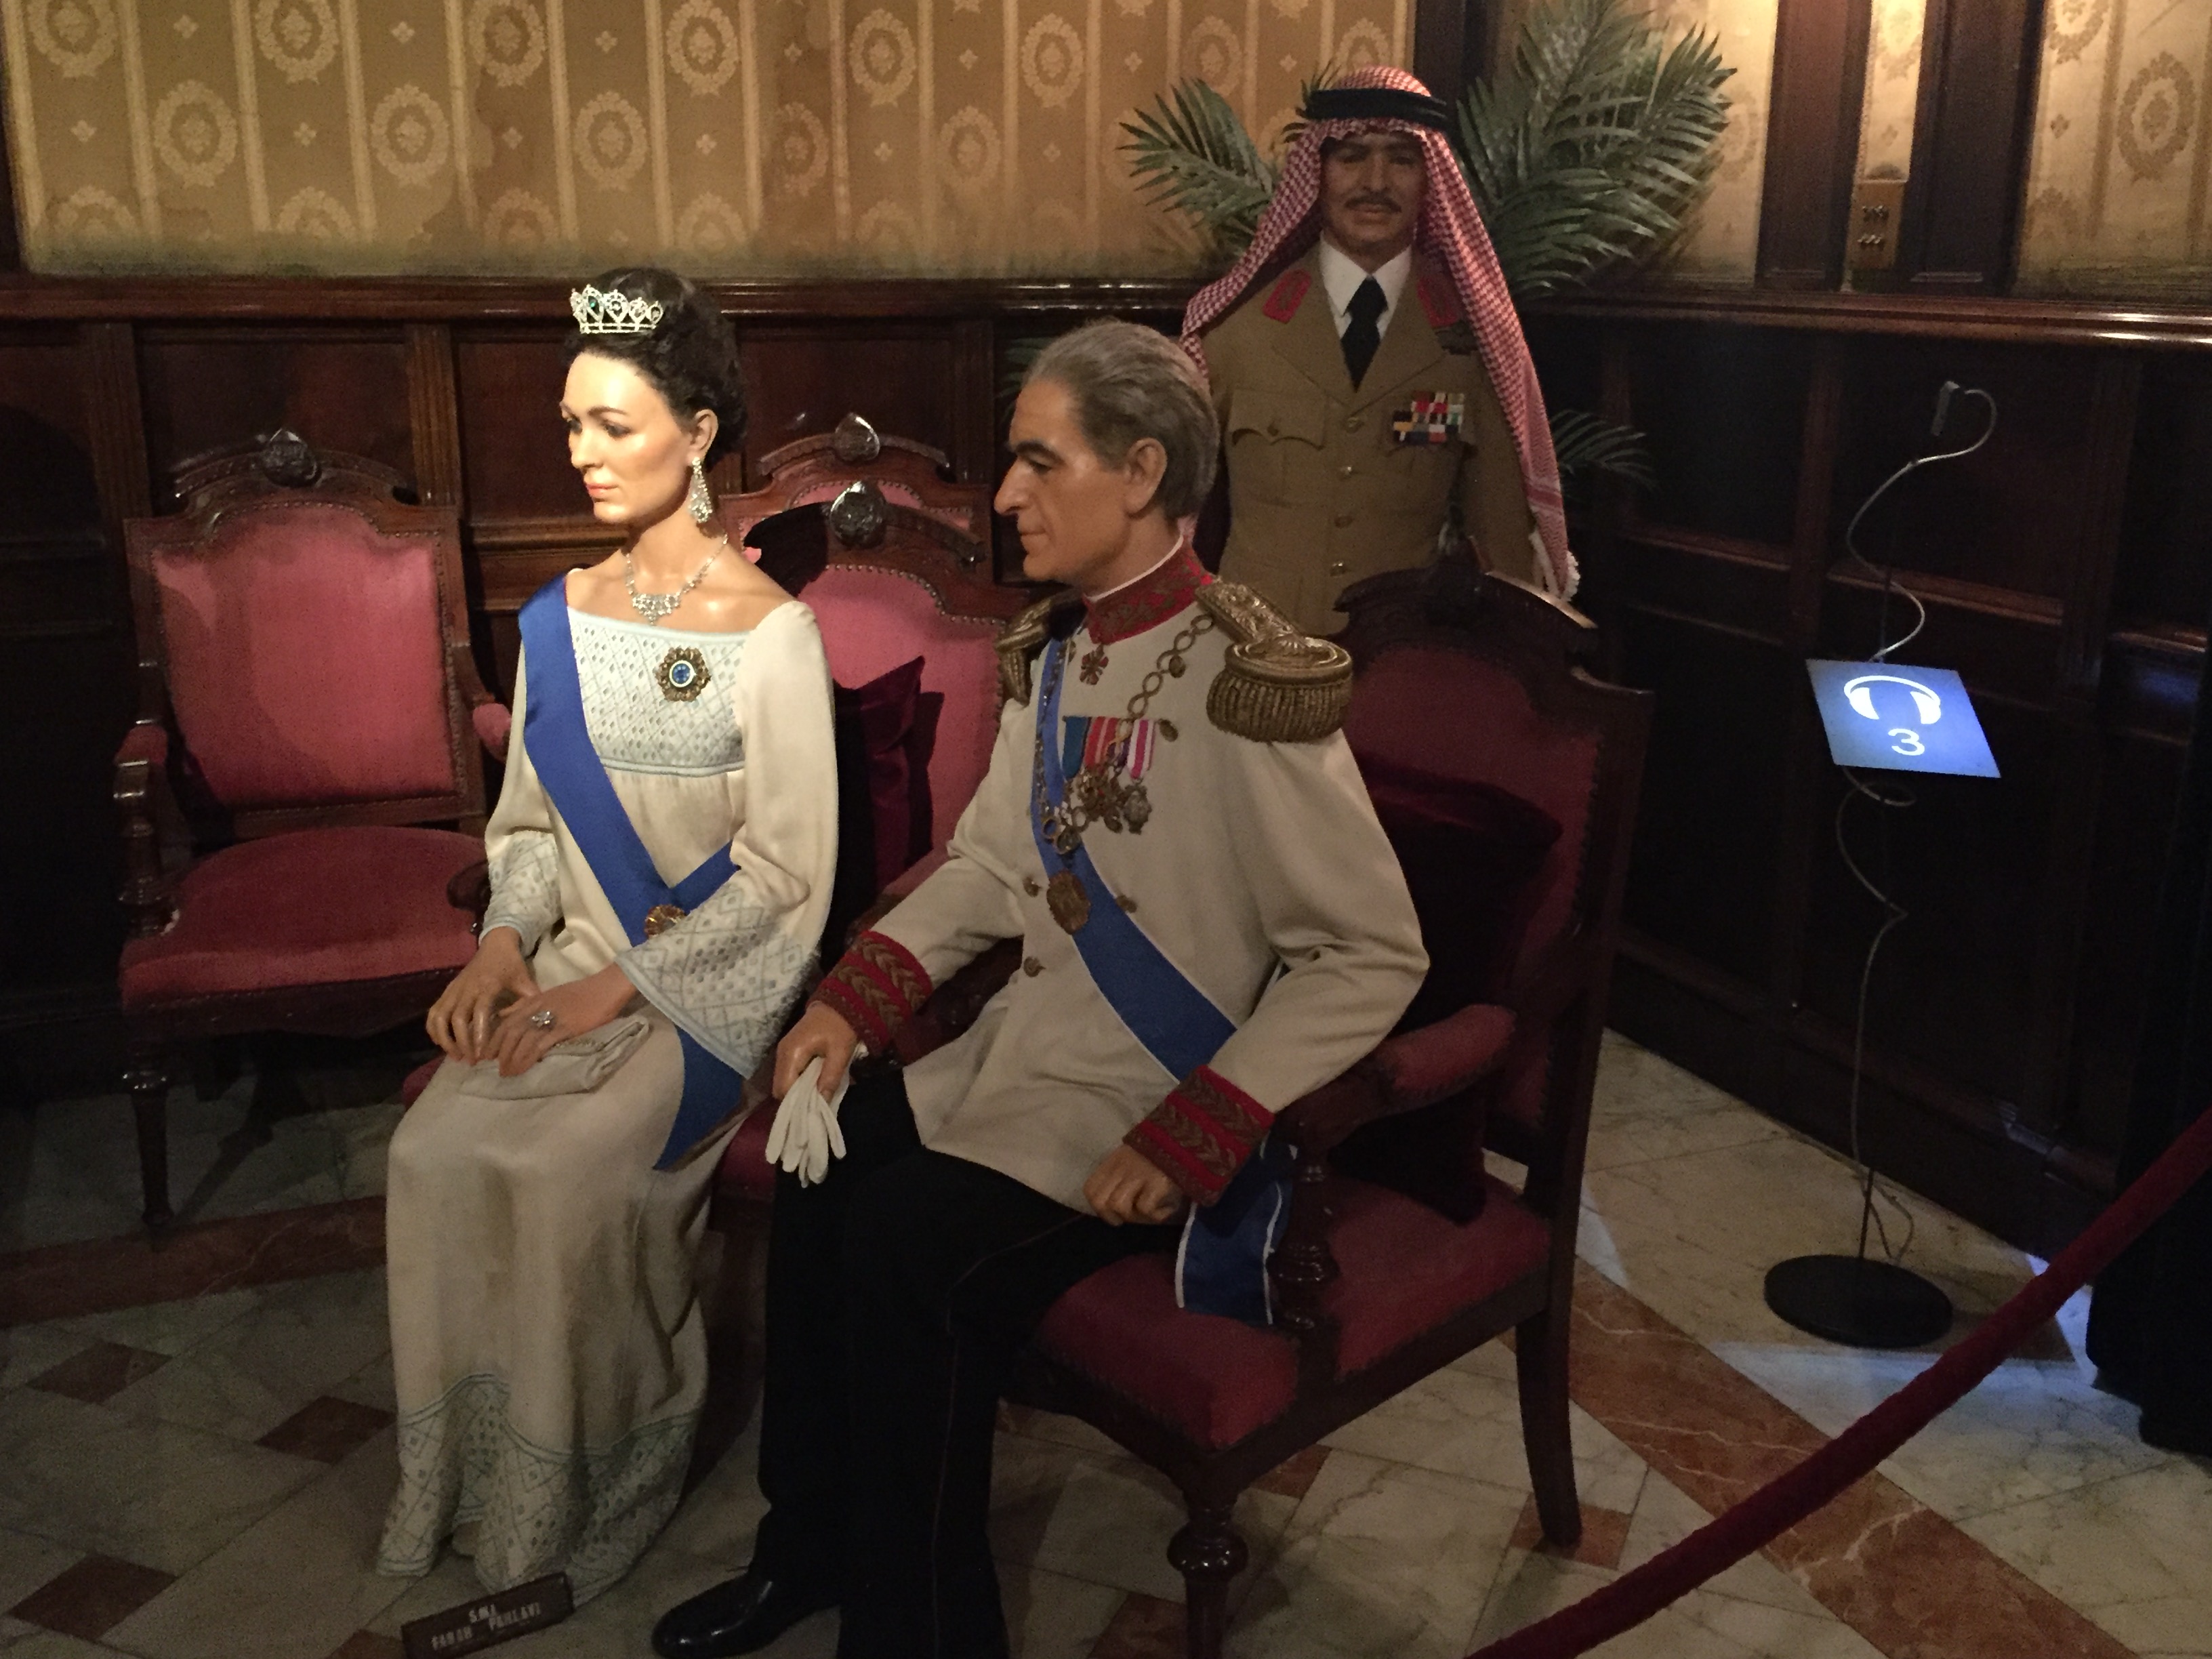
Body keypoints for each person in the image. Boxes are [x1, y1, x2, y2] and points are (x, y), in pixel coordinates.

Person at [648, 320, 1427, 1658]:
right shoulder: (1058, 654)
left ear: (1137, 473)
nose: (1006, 497)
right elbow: (993, 870)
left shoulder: (1254, 683)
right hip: (1024, 1066)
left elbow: (1371, 952)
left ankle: (926, 1635)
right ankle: (812, 1548)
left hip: (1146, 1110)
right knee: (818, 1169)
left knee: (906, 1250)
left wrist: (1200, 1130)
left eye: (1033, 462)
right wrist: (854, 1002)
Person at [375, 268, 838, 1604]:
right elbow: (525, 836)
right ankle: (459, 1487)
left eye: (614, 426)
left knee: (566, 1171)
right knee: (432, 1151)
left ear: (696, 433)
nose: (581, 453)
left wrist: (619, 993)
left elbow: (787, 874)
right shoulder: (554, 621)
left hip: (701, 1000)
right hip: (567, 971)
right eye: (571, 424)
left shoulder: (774, 637)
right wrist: (503, 951)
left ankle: (604, 1473)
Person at [1182, 64, 1576, 636]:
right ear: (1316, 172)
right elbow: (1175, 515)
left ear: (1429, 178)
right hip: (1251, 655)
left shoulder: (1474, 341)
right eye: (1352, 156)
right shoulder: (1235, 328)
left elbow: (1503, 536)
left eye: (1401, 158)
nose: (1375, 181)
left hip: (1400, 666)